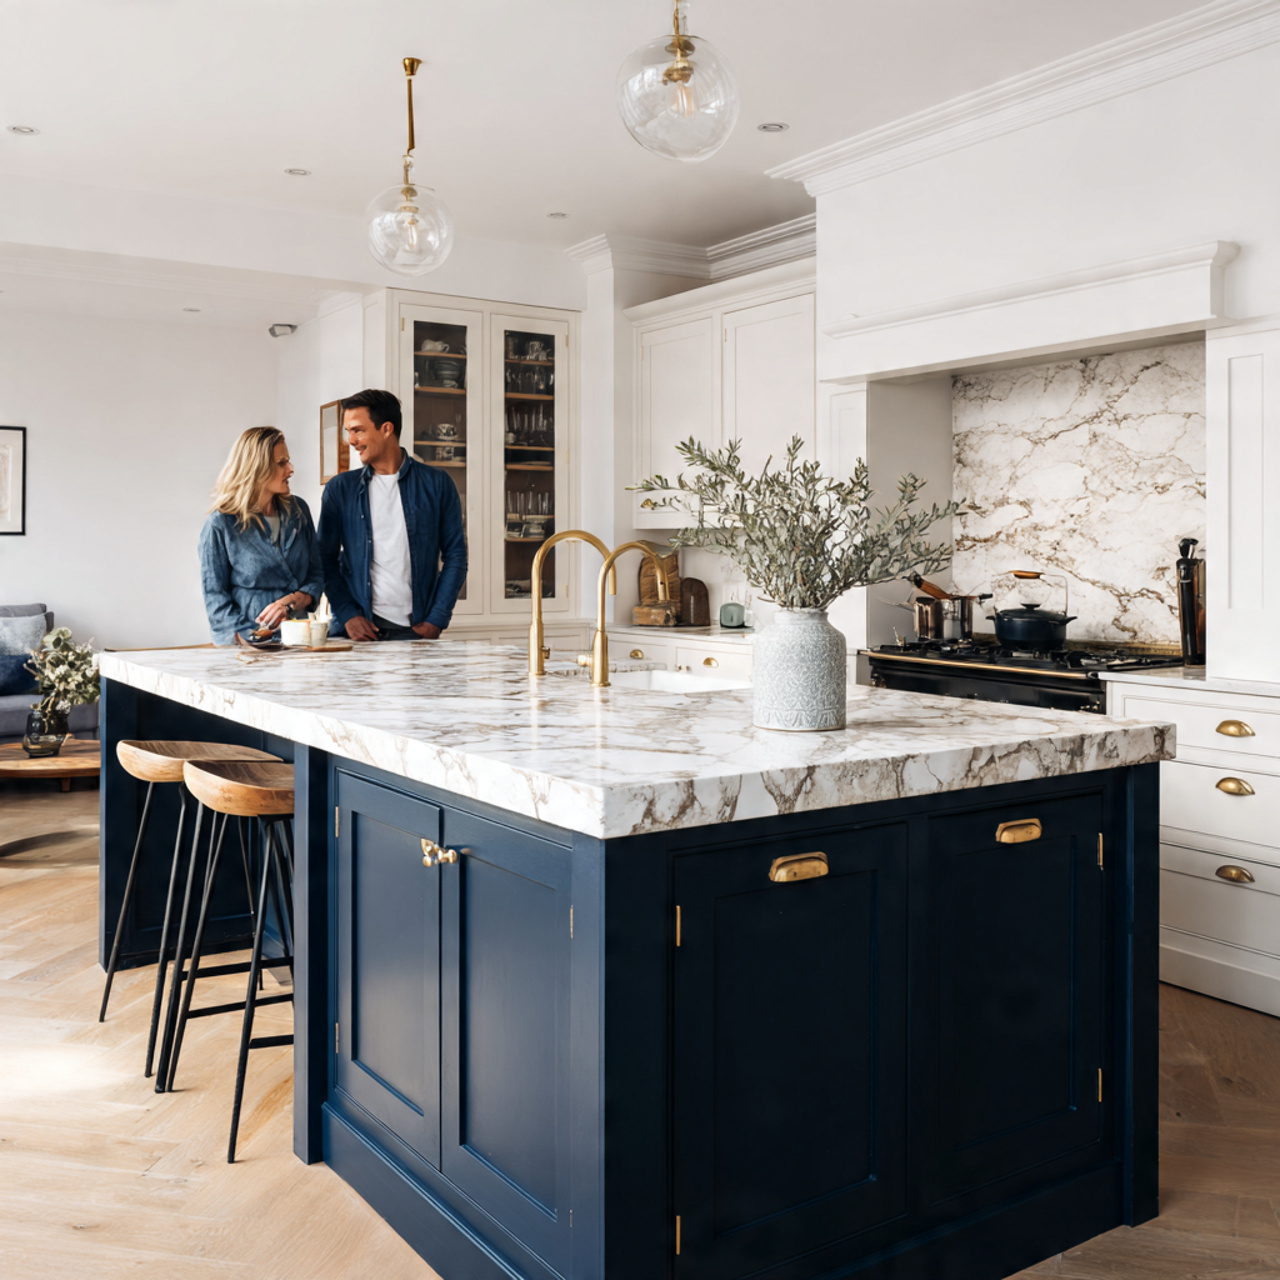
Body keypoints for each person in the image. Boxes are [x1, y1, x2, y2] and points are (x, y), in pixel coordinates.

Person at [318, 388, 467, 642]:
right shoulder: (340, 489)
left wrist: (436, 620)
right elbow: (324, 559)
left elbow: (456, 555)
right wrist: (347, 615)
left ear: (387, 429)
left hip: (416, 633)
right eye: (348, 432)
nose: (351, 440)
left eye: (358, 430)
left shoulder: (437, 484)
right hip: (356, 634)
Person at [198, 427, 324, 646]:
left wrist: (291, 602)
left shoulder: (299, 510)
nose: (291, 469)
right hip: (247, 645)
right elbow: (216, 600)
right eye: (282, 463)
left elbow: (316, 576)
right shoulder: (221, 523)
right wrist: (250, 640)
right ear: (256, 468)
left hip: (300, 639)